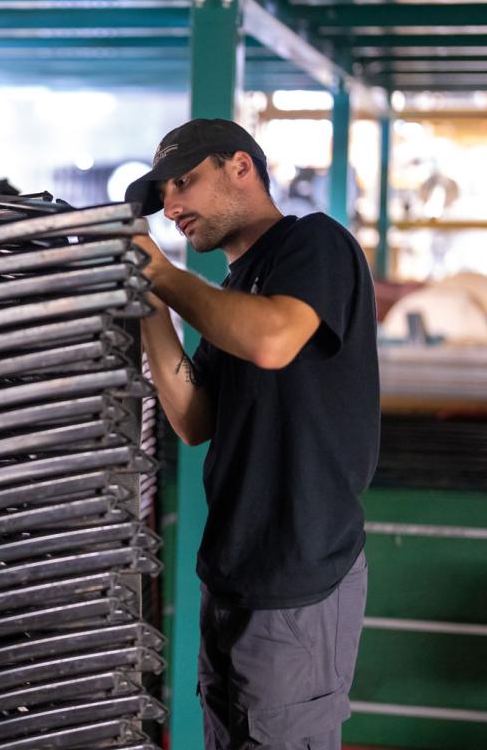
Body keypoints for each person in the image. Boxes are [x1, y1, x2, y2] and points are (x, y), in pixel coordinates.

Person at [125, 119, 379, 749]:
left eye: (184, 182)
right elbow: (191, 417)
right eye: (163, 197)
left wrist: (162, 276)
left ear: (241, 166)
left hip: (299, 575)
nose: (172, 206)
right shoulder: (232, 292)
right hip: (232, 571)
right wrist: (146, 298)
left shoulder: (315, 244)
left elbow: (272, 339)